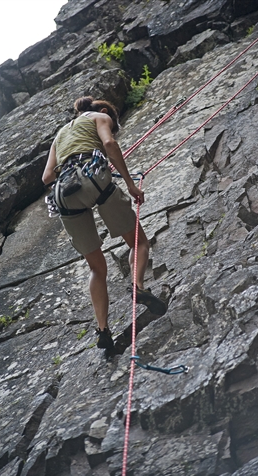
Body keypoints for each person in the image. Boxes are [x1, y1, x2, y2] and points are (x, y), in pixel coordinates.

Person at [42, 96, 167, 350]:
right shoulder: (101, 116)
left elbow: (46, 177)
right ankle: (138, 287)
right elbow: (109, 142)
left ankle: (102, 331)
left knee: (97, 269)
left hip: (63, 195)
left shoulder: (60, 135)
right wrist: (130, 184)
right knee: (138, 241)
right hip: (92, 179)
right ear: (102, 111)